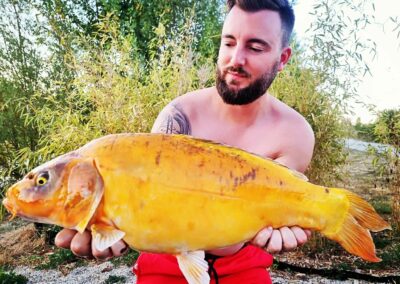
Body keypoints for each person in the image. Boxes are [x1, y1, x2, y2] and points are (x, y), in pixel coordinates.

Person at [55, 0, 315, 283]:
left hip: (243, 259)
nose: (235, 60)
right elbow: (146, 204)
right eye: (228, 43)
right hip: (166, 255)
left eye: (255, 47)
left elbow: (280, 212)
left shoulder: (295, 133)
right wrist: (111, 225)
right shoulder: (177, 116)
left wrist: (287, 225)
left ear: (283, 58)